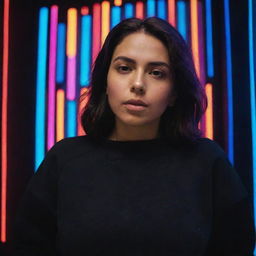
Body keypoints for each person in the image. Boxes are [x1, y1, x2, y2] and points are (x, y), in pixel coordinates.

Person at [12, 17, 255, 256]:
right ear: (106, 82)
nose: (138, 84)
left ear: (174, 93)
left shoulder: (207, 161)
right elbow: (27, 246)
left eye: (157, 73)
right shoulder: (64, 159)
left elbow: (237, 245)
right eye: (124, 68)